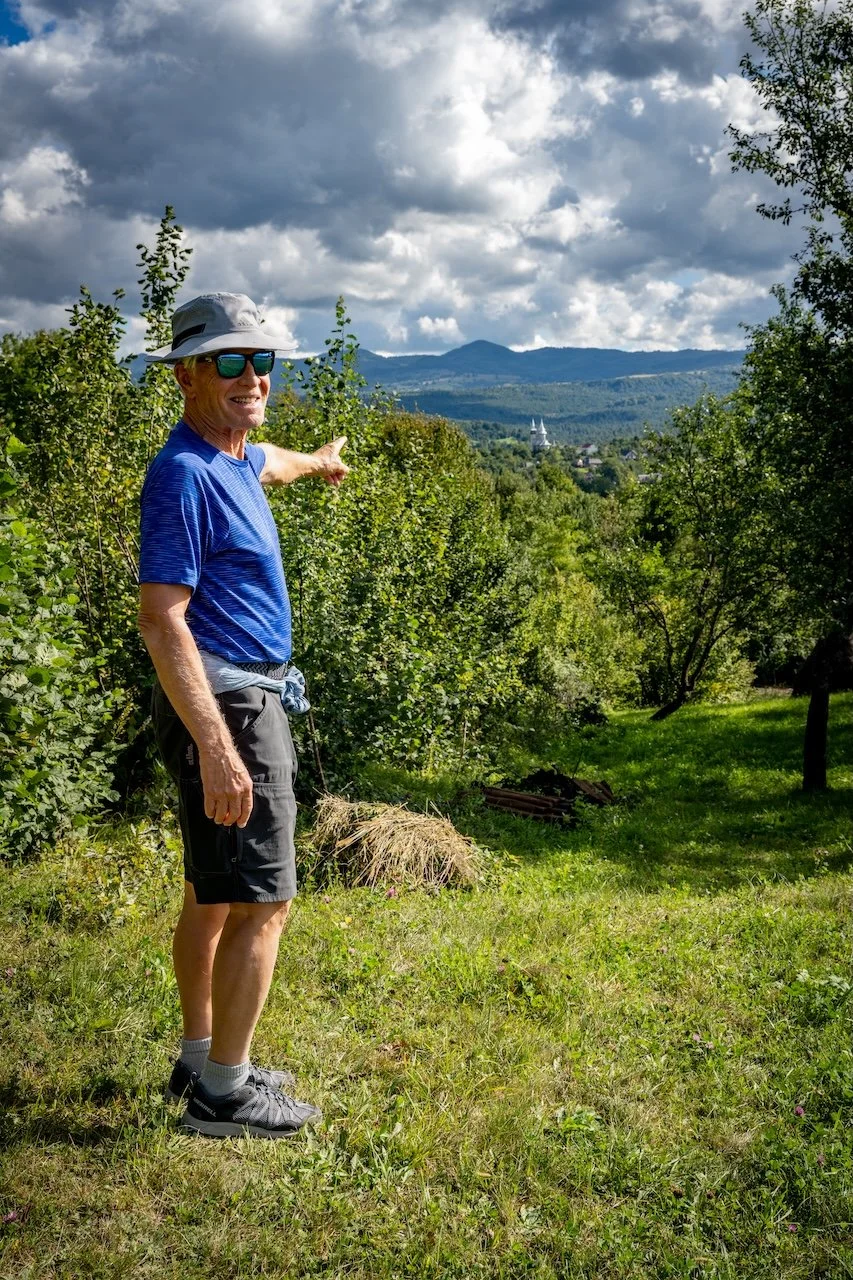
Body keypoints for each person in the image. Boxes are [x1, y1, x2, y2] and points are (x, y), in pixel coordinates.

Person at [138, 292, 349, 1139]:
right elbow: (162, 618)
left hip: (235, 696)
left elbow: (272, 460)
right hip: (230, 701)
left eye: (261, 362)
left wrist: (321, 461)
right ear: (187, 373)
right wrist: (219, 748)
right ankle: (224, 1094)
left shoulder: (232, 457)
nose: (251, 377)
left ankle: (199, 1057)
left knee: (212, 896)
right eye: (228, 361)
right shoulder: (185, 474)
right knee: (265, 901)